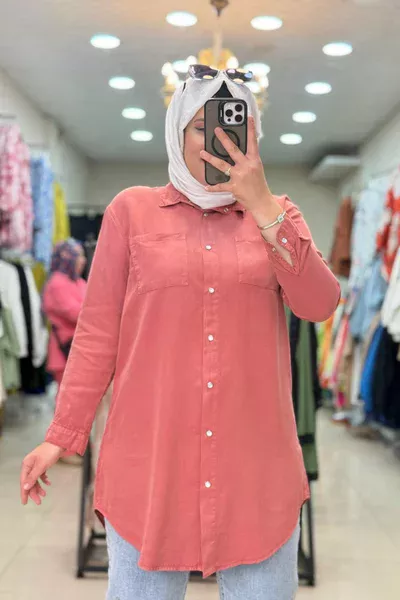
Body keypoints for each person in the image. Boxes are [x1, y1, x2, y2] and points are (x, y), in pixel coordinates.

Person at [20, 69, 340, 600]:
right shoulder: (130, 211)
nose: (220, 140)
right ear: (175, 131)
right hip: (149, 466)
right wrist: (62, 434)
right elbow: (97, 332)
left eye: (236, 126)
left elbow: (320, 304)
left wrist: (262, 206)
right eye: (201, 126)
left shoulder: (279, 214)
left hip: (256, 472)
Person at [42, 239, 87, 387]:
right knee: (67, 394)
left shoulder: (79, 282)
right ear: (67, 257)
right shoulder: (57, 283)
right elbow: (76, 314)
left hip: (80, 350)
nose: (83, 260)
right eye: (78, 255)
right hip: (65, 350)